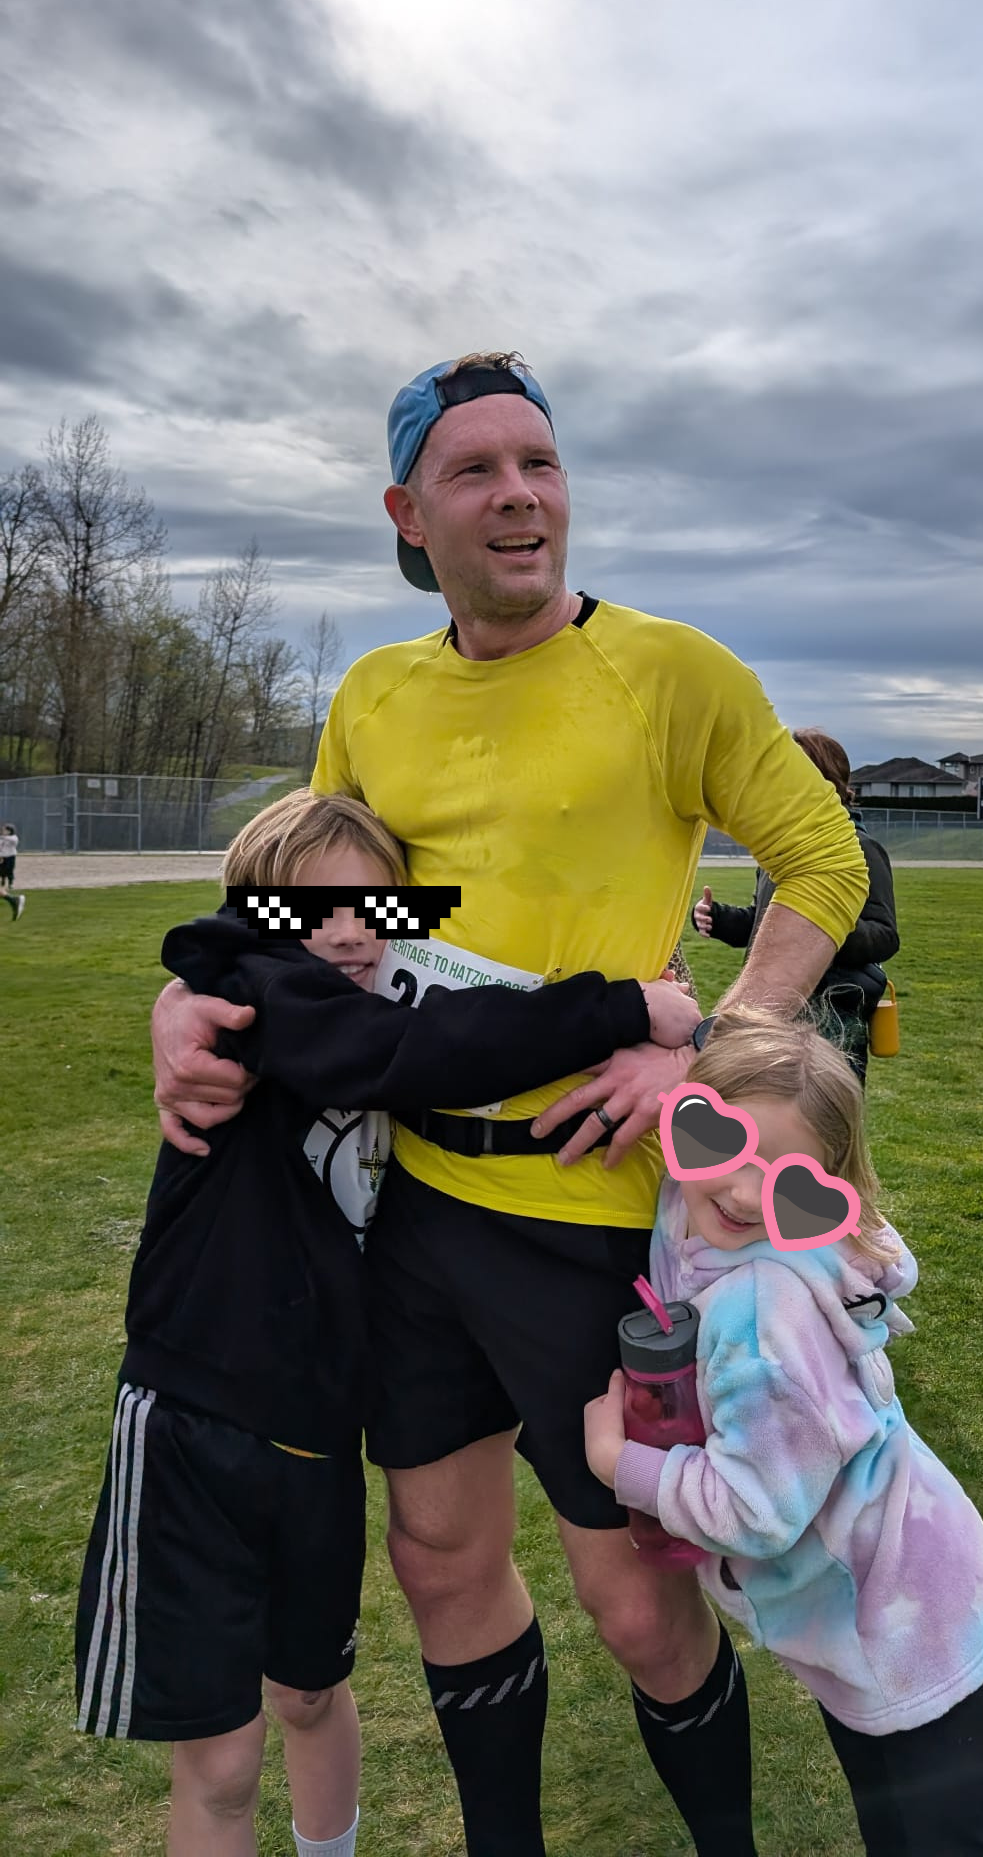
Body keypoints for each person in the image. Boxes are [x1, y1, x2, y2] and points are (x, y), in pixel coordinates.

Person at [149, 351, 868, 1857]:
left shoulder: (672, 671)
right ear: (410, 514)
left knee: (635, 1598)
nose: (519, 494)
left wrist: (708, 1049)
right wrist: (187, 997)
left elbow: (824, 863)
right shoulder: (375, 693)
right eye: (474, 470)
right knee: (437, 1561)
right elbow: (305, 901)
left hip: (595, 1219)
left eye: (538, 462)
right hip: (409, 1206)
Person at [80, 786, 697, 1857]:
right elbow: (415, 1052)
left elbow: (463, 1022)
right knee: (222, 1761)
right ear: (252, 916)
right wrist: (623, 1008)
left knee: (311, 1695)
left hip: (317, 1436)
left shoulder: (366, 1002)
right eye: (309, 910)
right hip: (197, 1422)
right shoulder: (258, 994)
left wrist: (674, 1024)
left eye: (377, 906)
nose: (347, 932)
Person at [584, 1007, 983, 1856]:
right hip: (878, 1606)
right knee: (898, 1833)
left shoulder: (765, 1313)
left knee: (938, 1842)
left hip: (905, 1625)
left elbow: (757, 1510)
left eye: (784, 1175)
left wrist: (620, 1464)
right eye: (725, 1147)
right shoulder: (693, 1207)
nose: (745, 1193)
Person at [693, 729, 897, 1082]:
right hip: (775, 1009)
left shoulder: (861, 847)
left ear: (823, 779)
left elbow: (885, 936)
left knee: (821, 1112)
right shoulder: (780, 850)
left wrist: (821, 926)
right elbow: (765, 924)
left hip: (832, 1018)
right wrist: (718, 918)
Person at [1, 822, 22, 919]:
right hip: (3, 858)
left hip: (10, 858)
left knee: (9, 872)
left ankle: (13, 899)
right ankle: (13, 900)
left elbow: (12, 841)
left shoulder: (13, 837)